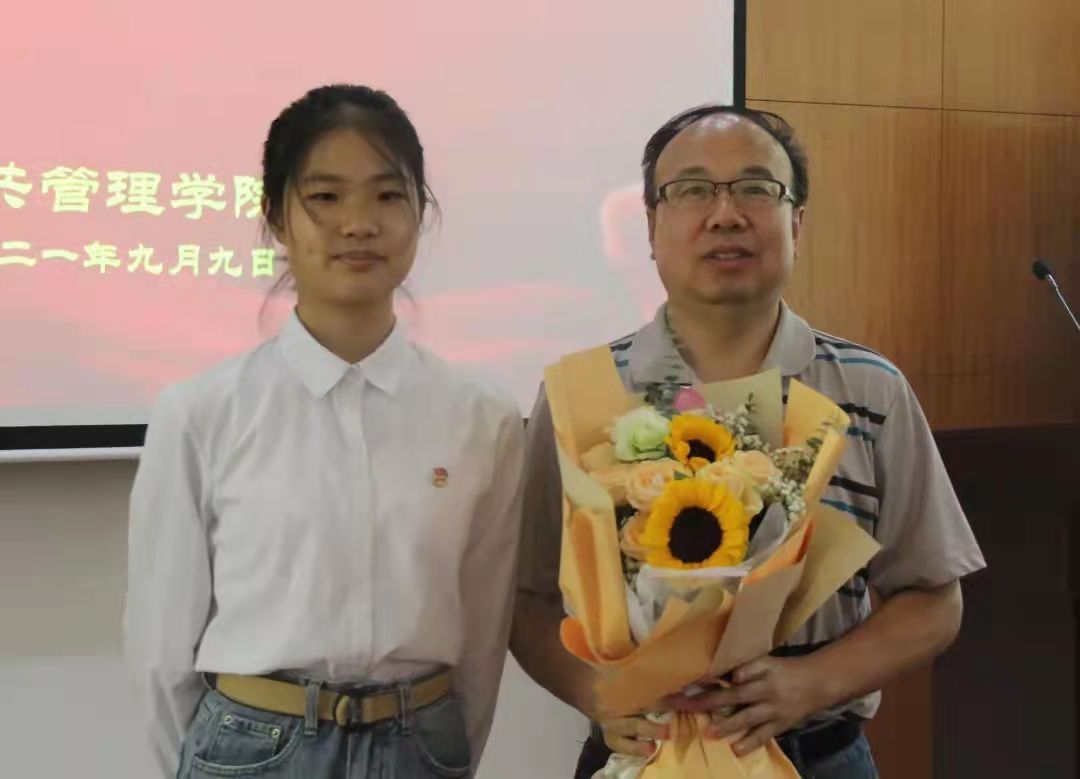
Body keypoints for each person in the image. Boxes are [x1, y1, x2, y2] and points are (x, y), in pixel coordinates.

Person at [511, 105, 985, 778]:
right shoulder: (582, 394)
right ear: (651, 228)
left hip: (819, 756)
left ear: (797, 224)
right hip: (638, 756)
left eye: (756, 188)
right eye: (693, 190)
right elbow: (527, 600)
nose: (725, 214)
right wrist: (599, 693)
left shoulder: (868, 390)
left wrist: (813, 682)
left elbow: (935, 599)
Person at [124, 84, 526, 779]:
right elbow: (160, 649)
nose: (359, 224)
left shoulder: (481, 416)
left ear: (421, 212)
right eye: (326, 197)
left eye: (388, 196)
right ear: (276, 217)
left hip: (421, 745)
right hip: (250, 749)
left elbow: (485, 634)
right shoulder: (202, 411)